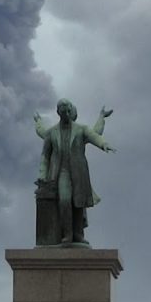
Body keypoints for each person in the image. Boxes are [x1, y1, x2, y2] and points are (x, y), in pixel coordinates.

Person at [36, 99, 115, 245]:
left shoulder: (81, 129)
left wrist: (104, 144)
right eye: (63, 111)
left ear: (70, 111)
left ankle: (78, 235)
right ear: (58, 112)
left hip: (78, 171)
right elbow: (45, 155)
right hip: (61, 172)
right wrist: (42, 174)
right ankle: (67, 235)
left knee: (79, 202)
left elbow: (95, 134)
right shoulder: (51, 132)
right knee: (65, 200)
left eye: (68, 111)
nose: (66, 114)